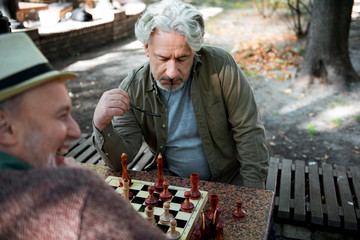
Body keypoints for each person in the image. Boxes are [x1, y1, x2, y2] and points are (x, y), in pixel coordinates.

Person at [0, 32, 166, 240]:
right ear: (5, 128)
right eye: (61, 116)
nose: (76, 131)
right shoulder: (75, 193)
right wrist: (78, 184)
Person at [92, 0, 269, 190]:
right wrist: (101, 124)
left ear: (195, 50)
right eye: (163, 58)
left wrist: (254, 195)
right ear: (146, 48)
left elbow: (249, 131)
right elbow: (120, 162)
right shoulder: (133, 88)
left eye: (182, 59)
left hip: (229, 180)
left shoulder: (220, 65)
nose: (172, 72)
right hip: (173, 183)